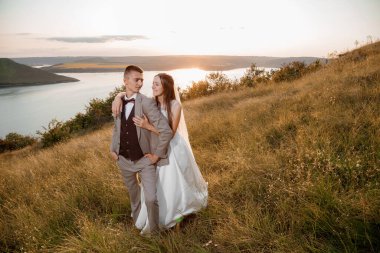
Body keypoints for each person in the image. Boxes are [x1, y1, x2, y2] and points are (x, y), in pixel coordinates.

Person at [112, 73, 208, 233]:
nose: (152, 86)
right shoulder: (150, 102)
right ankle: (157, 215)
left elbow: (170, 133)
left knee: (174, 180)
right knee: (155, 183)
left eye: (156, 84)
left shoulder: (175, 105)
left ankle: (179, 211)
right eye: (153, 83)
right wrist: (117, 96)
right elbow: (128, 94)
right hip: (153, 147)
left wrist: (147, 126)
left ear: (166, 87)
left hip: (173, 148)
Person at [110, 65, 173, 235]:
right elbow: (117, 128)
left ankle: (154, 233)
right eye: (136, 79)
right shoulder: (117, 102)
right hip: (123, 160)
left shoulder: (146, 102)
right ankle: (138, 223)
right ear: (125, 81)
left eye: (141, 80)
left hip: (145, 160)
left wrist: (156, 156)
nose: (140, 83)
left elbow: (166, 131)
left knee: (151, 199)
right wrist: (113, 149)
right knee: (134, 196)